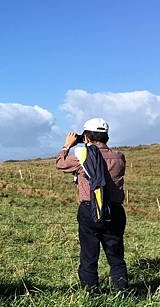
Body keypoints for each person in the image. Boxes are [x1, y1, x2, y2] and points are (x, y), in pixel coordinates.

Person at [56, 117, 129, 291]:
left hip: (89, 208)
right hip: (114, 211)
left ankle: (91, 293)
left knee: (89, 254)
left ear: (86, 137)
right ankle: (122, 292)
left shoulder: (81, 156)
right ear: (107, 137)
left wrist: (68, 145)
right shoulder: (119, 158)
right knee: (116, 256)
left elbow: (60, 164)